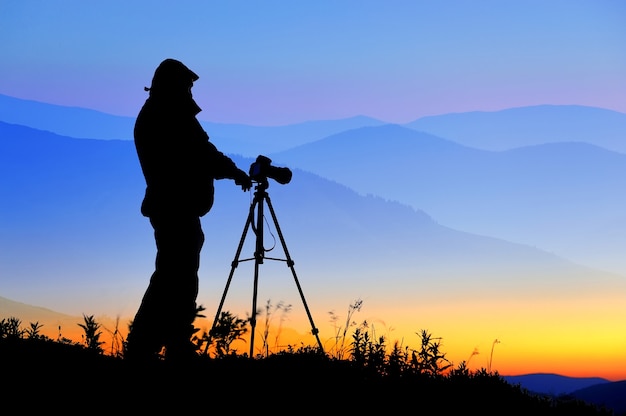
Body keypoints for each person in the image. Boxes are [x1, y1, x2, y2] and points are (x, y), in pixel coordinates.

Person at [125, 58, 252, 362]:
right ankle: (159, 345)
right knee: (175, 277)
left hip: (171, 207)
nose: (191, 92)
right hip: (175, 208)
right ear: (175, 86)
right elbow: (201, 152)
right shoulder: (169, 115)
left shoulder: (157, 113)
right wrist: (234, 172)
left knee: (172, 276)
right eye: (188, 86)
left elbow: (199, 152)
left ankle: (157, 344)